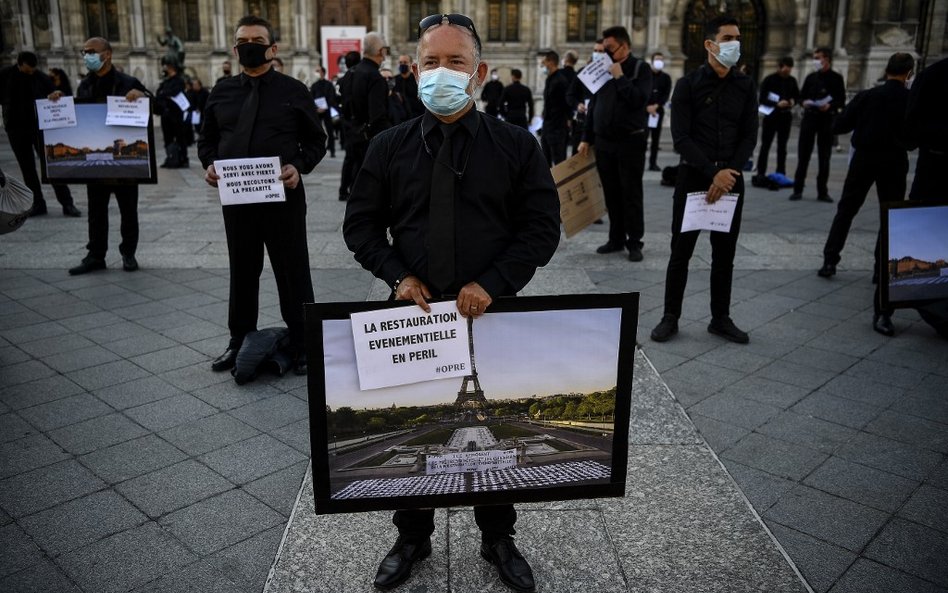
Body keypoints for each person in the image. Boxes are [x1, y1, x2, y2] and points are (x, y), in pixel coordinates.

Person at [343, 13, 560, 593]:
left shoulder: (516, 145)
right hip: (416, 317)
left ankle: (497, 534)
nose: (442, 72)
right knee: (420, 428)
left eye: (456, 62)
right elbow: (361, 227)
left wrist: (493, 282)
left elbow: (541, 229)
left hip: (491, 312)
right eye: (431, 62)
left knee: (494, 437)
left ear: (479, 72)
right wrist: (398, 276)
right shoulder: (387, 147)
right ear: (414, 70)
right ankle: (411, 535)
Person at [199, 15, 327, 375]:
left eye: (257, 39)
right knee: (242, 271)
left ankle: (304, 343)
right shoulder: (221, 91)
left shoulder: (293, 91)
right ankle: (238, 340)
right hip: (238, 202)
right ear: (235, 47)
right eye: (243, 40)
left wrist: (298, 167)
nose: (249, 45)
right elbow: (207, 139)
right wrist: (209, 164)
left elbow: (317, 140)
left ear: (272, 48)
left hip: (282, 200)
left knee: (293, 271)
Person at [650, 15, 758, 345]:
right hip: (694, 179)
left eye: (738, 37)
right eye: (728, 37)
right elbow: (681, 137)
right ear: (711, 44)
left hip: (731, 180)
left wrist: (728, 175)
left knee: (724, 254)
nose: (735, 44)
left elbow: (749, 135)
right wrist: (714, 174)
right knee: (680, 252)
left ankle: (720, 318)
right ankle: (671, 316)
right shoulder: (687, 85)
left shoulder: (745, 85)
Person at [817, 53, 914, 336]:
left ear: (886, 70)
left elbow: (840, 125)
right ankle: (878, 269)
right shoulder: (909, 99)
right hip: (894, 162)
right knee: (890, 218)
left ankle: (830, 260)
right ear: (909, 73)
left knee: (847, 210)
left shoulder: (868, 96)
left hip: (865, 158)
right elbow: (914, 137)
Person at [60, 37, 150, 274]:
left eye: (91, 51)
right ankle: (95, 255)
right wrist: (59, 104)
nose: (86, 55)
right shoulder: (85, 85)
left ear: (107, 54)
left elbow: (156, 107)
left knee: (128, 210)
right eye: (84, 52)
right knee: (95, 210)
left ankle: (128, 253)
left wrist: (141, 97)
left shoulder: (128, 82)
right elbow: (78, 116)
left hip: (123, 162)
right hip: (98, 163)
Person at [578, 26, 652, 262]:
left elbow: (638, 100)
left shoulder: (641, 69)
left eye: (610, 49)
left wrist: (620, 76)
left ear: (625, 46)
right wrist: (586, 138)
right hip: (604, 142)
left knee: (630, 192)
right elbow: (594, 106)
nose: (606, 54)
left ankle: (634, 241)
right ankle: (616, 238)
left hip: (630, 141)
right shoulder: (602, 70)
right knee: (611, 193)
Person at [0, 52, 80, 217]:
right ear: (20, 64)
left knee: (51, 166)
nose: (31, 73)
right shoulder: (6, 75)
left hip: (39, 128)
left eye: (33, 70)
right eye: (28, 70)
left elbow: (57, 95)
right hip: (16, 128)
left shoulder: (41, 77)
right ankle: (38, 203)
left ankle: (67, 203)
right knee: (27, 169)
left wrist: (55, 95)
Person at [338, 33, 391, 201]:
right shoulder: (375, 77)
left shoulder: (350, 73)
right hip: (369, 138)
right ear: (380, 51)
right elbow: (378, 114)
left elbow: (345, 106)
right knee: (368, 183)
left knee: (354, 173)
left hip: (351, 132)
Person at [789, 47, 845, 202]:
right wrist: (804, 103)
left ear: (826, 59)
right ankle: (798, 189)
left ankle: (822, 191)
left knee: (824, 157)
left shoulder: (836, 78)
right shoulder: (811, 77)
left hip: (826, 120)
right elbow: (801, 97)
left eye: (817, 57)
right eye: (814, 57)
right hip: (810, 118)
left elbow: (841, 99)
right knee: (803, 156)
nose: (815, 61)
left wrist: (830, 106)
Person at [904, 56, 948, 203]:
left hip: (934, 160)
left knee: (924, 209)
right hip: (935, 160)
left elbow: (912, 124)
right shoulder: (932, 74)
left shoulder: (931, 74)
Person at [753, 57, 799, 186]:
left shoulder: (792, 80)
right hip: (772, 116)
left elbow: (797, 96)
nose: (787, 71)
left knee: (782, 146)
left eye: (789, 68)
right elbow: (762, 98)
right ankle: (761, 172)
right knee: (765, 146)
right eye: (785, 68)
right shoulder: (769, 80)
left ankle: (781, 172)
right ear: (780, 67)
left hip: (785, 116)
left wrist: (791, 102)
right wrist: (777, 103)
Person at [566, 39, 605, 155]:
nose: (597, 53)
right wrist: (577, 105)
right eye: (595, 50)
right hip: (582, 123)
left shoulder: (611, 73)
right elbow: (570, 95)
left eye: (601, 51)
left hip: (602, 126)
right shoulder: (583, 72)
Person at [336, 49, 364, 200]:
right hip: (356, 124)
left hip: (347, 123)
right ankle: (353, 188)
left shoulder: (343, 79)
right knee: (357, 159)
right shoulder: (357, 76)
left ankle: (343, 189)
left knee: (349, 159)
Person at [155, 57, 189, 168]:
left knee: (180, 136)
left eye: (165, 66)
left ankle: (183, 158)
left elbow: (173, 93)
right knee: (167, 137)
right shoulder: (165, 82)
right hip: (165, 114)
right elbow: (159, 94)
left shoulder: (178, 80)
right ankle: (170, 157)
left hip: (176, 114)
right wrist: (164, 94)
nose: (163, 68)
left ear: (171, 67)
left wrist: (164, 94)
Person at [539, 50, 571, 166]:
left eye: (544, 62)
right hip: (548, 126)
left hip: (557, 127)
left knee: (559, 160)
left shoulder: (560, 81)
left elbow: (565, 104)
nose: (543, 65)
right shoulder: (550, 79)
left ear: (551, 62)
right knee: (545, 159)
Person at [647, 52, 672, 172]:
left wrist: (656, 106)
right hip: (645, 111)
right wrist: (647, 107)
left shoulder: (666, 78)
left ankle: (653, 163)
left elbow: (666, 95)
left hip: (657, 112)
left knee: (655, 140)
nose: (659, 61)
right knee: (642, 138)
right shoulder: (646, 76)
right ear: (652, 61)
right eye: (657, 59)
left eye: (661, 59)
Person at [310, 65, 338, 157]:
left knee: (330, 131)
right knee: (317, 131)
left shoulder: (329, 85)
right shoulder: (314, 85)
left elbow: (332, 97)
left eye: (318, 71)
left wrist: (325, 107)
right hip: (317, 111)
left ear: (322, 72)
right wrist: (316, 108)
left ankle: (332, 150)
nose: (317, 73)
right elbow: (311, 98)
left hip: (327, 111)